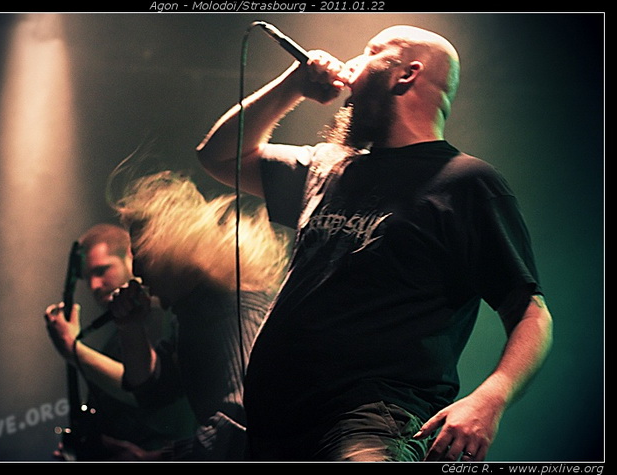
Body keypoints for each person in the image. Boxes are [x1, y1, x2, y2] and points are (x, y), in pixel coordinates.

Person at [196, 25, 553, 462]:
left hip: (372, 418)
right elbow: (218, 155)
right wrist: (293, 85)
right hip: (277, 426)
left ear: (406, 73)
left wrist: (489, 399)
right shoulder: (326, 167)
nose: (350, 66)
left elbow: (531, 314)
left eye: (369, 52)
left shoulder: (465, 182)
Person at [104, 170, 290, 460]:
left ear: (170, 246)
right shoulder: (193, 309)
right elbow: (155, 389)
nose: (136, 271)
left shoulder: (229, 309)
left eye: (142, 254)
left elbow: (238, 429)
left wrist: (151, 459)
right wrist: (131, 328)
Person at [44, 223, 197, 460]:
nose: (94, 285)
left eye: (102, 270)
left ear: (129, 256)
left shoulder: (162, 316)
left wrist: (73, 349)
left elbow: (148, 392)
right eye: (87, 277)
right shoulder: (115, 335)